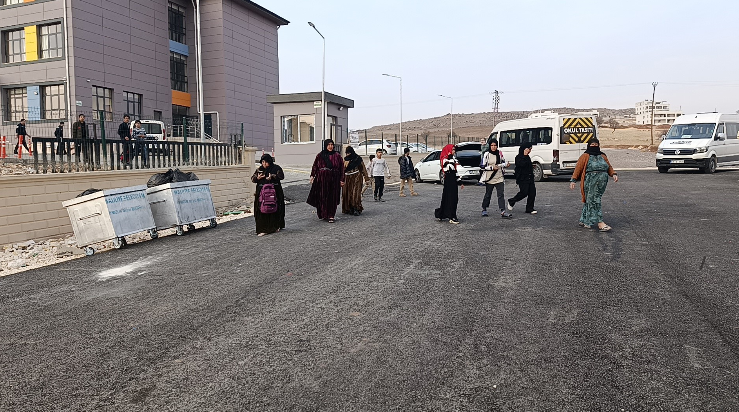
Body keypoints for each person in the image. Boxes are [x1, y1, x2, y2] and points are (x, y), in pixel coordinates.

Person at [569, 138, 619, 232]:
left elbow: (609, 166)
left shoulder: (603, 156)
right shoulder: (585, 156)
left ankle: (584, 220)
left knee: (591, 199)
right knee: (595, 200)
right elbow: (578, 168)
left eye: (596, 144)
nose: (594, 146)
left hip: (602, 182)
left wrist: (613, 174)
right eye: (592, 144)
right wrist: (573, 180)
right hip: (591, 182)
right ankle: (600, 223)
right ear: (588, 145)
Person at [307, 139, 345, 223]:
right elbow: (315, 166)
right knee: (322, 196)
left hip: (334, 179)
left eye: (332, 144)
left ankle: (331, 215)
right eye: (328, 145)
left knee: (332, 197)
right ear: (325, 145)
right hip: (322, 179)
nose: (330, 146)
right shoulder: (320, 155)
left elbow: (342, 168)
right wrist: (312, 176)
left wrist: (342, 179)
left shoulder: (337, 156)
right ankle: (324, 214)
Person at [251, 153, 286, 236]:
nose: (264, 164)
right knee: (261, 209)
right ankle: (262, 228)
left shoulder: (276, 168)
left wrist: (273, 176)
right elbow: (253, 179)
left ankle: (275, 226)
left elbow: (281, 176)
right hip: (261, 193)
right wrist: (258, 178)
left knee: (274, 208)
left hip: (274, 192)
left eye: (266, 162)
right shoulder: (260, 169)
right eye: (263, 162)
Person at [480, 139, 512, 218]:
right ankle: (484, 208)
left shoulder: (499, 153)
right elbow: (482, 166)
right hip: (490, 178)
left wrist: (506, 165)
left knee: (501, 194)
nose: (493, 147)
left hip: (499, 177)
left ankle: (503, 211)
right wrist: (491, 168)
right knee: (488, 194)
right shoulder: (487, 154)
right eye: (492, 145)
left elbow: (502, 163)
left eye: (495, 145)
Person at [507, 142, 537, 214]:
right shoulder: (518, 157)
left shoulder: (528, 157)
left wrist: (531, 166)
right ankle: (512, 201)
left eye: (530, 149)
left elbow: (527, 165)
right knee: (524, 192)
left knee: (532, 193)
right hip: (522, 178)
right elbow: (521, 164)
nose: (529, 151)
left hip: (529, 177)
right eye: (528, 149)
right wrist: (525, 155)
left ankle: (529, 208)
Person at [435, 144, 461, 224]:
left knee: (454, 198)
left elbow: (455, 170)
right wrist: (450, 159)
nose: (454, 151)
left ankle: (446, 214)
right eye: (452, 150)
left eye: (454, 150)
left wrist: (460, 181)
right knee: (450, 198)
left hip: (453, 180)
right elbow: (447, 168)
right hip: (449, 180)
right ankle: (451, 216)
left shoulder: (452, 158)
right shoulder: (444, 159)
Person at [341, 146, 370, 216]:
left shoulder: (358, 159)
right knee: (347, 194)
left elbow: (363, 169)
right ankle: (349, 208)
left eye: (349, 153)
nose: (348, 154)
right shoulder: (345, 160)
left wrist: (366, 178)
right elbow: (342, 170)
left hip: (356, 177)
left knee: (355, 193)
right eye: (347, 153)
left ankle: (356, 208)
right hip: (347, 178)